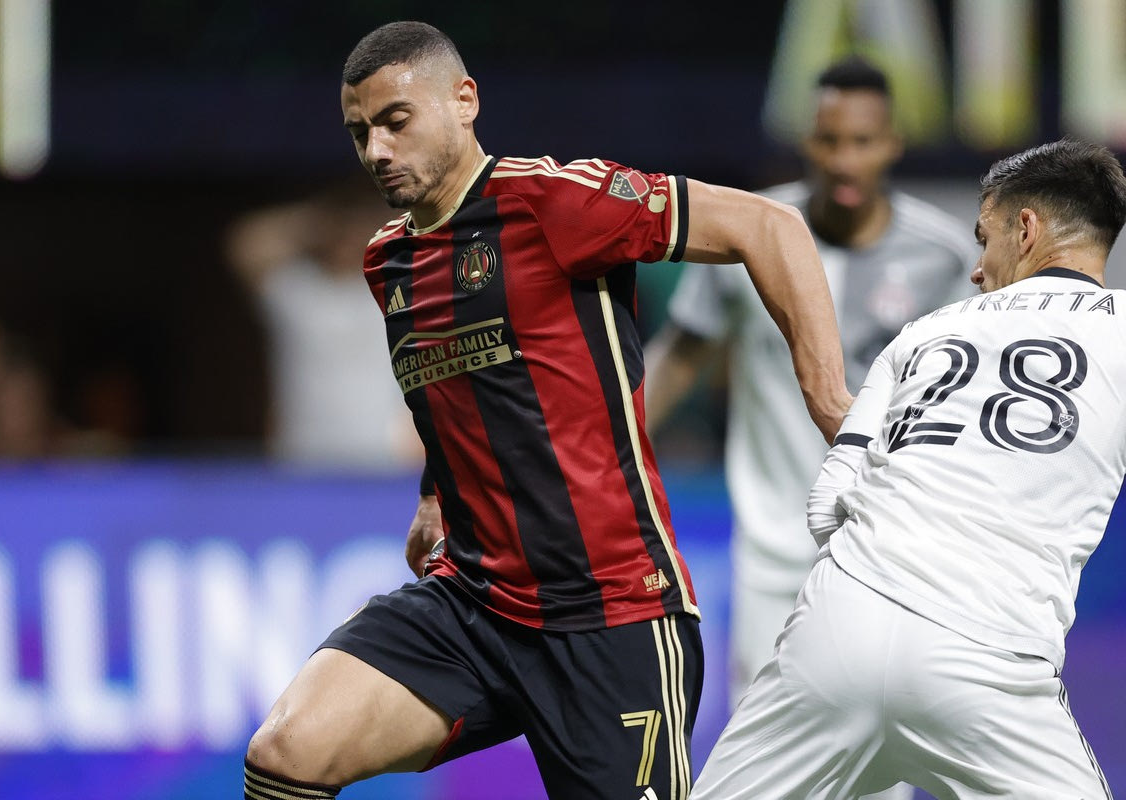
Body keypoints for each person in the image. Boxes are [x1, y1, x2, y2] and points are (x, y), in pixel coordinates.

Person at [243, 20, 851, 800]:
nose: (377, 151)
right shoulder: (388, 258)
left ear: (464, 101)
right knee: (286, 751)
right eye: (360, 133)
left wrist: (827, 395)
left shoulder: (555, 201)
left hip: (613, 616)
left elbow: (768, 225)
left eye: (396, 122)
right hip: (474, 605)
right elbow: (453, 387)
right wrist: (434, 495)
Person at [690, 138, 1126, 798]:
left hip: (840, 627)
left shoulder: (923, 332)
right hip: (989, 656)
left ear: (1026, 229)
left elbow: (826, 504)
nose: (976, 269)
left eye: (984, 240)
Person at [644, 58, 974, 800]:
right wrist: (605, 449)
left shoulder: (946, 258)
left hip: (892, 558)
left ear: (893, 144)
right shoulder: (748, 234)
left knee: (876, 772)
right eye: (830, 140)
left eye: (863, 141)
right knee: (766, 770)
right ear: (807, 142)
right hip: (772, 558)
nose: (845, 160)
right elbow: (680, 356)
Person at [225, 183, 421, 469]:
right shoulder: (297, 292)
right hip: (303, 455)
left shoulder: (397, 286)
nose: (352, 235)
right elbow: (247, 244)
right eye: (345, 225)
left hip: (386, 460)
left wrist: (382, 220)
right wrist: (319, 219)